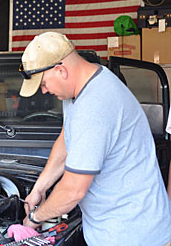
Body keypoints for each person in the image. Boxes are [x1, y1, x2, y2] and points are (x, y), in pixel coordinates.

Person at [18, 32, 171, 246]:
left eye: (43, 83)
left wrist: (34, 218)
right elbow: (66, 139)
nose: (44, 91)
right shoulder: (82, 87)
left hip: (134, 235)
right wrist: (39, 189)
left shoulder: (95, 104)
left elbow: (73, 190)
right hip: (109, 229)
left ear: (60, 71)